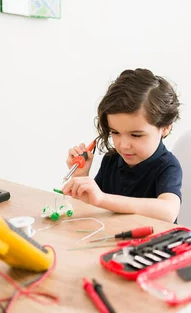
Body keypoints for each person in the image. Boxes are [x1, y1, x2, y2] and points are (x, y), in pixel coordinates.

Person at [62, 69, 182, 223]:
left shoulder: (167, 166)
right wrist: (80, 177)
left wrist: (103, 199)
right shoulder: (111, 159)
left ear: (165, 127)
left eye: (136, 135)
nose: (123, 145)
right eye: (115, 132)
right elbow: (93, 208)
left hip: (153, 244)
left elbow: (168, 211)